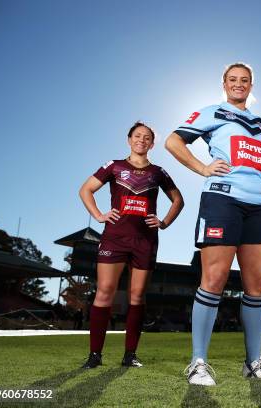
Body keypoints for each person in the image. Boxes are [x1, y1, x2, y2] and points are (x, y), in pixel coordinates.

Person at [165, 62, 261, 386]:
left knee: (257, 284)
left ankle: (254, 362)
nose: (238, 84)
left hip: (260, 205)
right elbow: (173, 142)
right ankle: (198, 362)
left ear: (251, 85)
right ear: (224, 83)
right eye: (233, 80)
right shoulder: (211, 112)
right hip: (222, 198)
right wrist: (203, 168)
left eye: (244, 80)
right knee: (214, 277)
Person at [79, 122, 184, 368]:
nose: (141, 140)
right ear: (129, 139)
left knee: (137, 296)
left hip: (145, 240)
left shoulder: (159, 171)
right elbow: (86, 190)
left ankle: (130, 356)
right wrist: (98, 215)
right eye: (137, 136)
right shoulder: (113, 166)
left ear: (152, 144)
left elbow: (178, 199)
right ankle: (95, 356)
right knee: (104, 291)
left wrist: (165, 222)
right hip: (114, 237)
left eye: (147, 138)